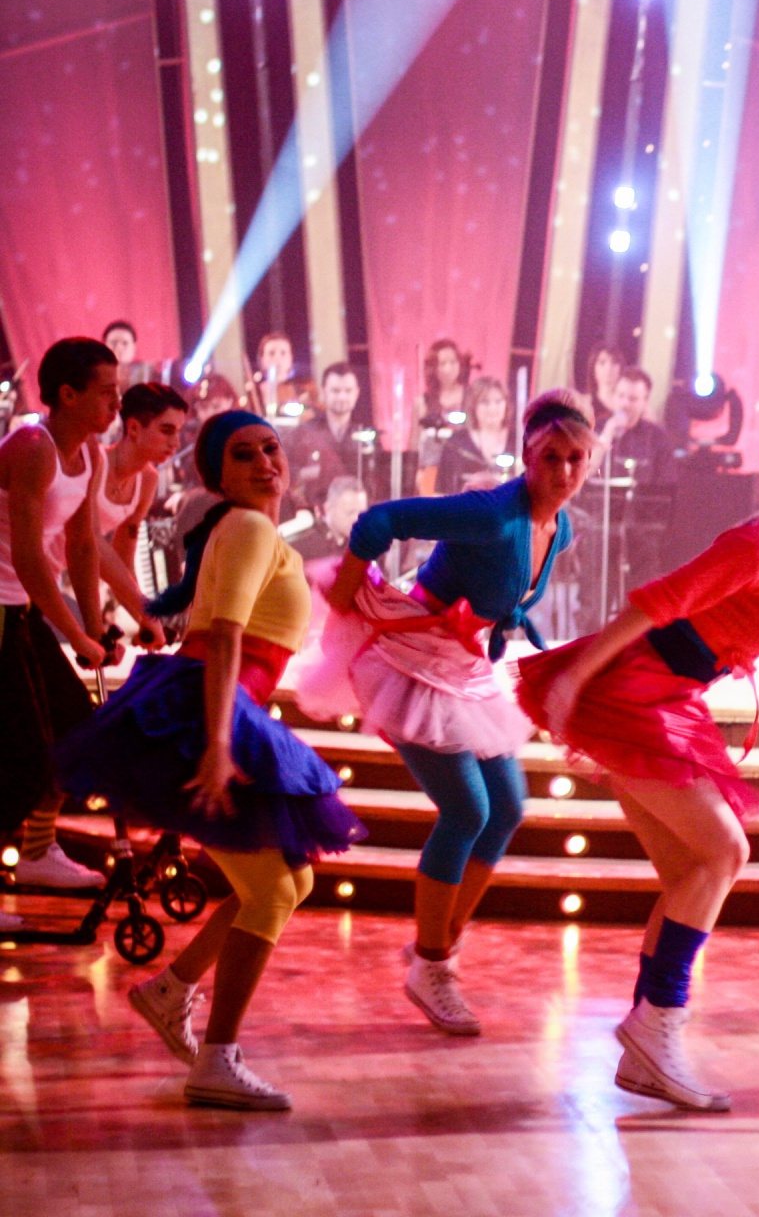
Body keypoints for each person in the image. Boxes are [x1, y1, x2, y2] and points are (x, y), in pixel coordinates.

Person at [514, 411, 759, 1112]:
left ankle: (647, 1050)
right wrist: (575, 680)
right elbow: (655, 603)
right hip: (637, 692)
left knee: (687, 874)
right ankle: (658, 1025)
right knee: (723, 853)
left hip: (674, 696)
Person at [58, 411, 365, 1110]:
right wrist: (222, 742)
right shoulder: (249, 527)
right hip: (207, 711)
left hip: (218, 706)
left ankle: (171, 991)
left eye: (270, 448)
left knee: (293, 880)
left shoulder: (258, 533)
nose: (264, 462)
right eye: (242, 455)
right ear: (218, 477)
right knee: (274, 891)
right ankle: (217, 1058)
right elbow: (224, 635)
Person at [316, 392, 592, 1035]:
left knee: (508, 809)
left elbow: (504, 592)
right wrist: (344, 598)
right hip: (412, 661)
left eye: (577, 458)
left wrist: (507, 624)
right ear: (527, 457)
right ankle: (432, 965)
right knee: (468, 810)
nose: (564, 471)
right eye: (551, 457)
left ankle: (437, 944)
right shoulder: (491, 512)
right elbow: (379, 522)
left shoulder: (561, 529)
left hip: (465, 669)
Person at [0, 339, 123, 892]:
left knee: (76, 731)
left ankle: (37, 851)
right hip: (5, 605)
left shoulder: (91, 454)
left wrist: (93, 629)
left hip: (18, 606)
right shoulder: (32, 446)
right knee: (22, 755)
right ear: (68, 395)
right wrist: (75, 634)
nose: (115, 403)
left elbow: (82, 546)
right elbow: (29, 557)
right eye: (106, 392)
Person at [82, 384, 187, 636]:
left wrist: (144, 620)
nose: (176, 442)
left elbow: (123, 561)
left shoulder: (148, 479)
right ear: (134, 428)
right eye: (166, 430)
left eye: (178, 432)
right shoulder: (95, 463)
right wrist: (147, 614)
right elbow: (91, 544)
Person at [286, 363, 372, 513]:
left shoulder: (367, 434)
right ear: (323, 392)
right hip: (313, 514)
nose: (342, 397)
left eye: (348, 391)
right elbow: (289, 474)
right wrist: (310, 473)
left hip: (357, 515)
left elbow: (376, 483)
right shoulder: (304, 432)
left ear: (357, 393)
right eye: (336, 390)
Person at [436, 375, 515, 493]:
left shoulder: (519, 441)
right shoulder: (455, 443)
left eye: (498, 401)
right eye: (485, 402)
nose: (492, 409)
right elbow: (441, 492)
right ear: (473, 406)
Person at [413, 338, 472, 495]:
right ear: (433, 368)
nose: (448, 368)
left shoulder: (472, 397)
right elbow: (414, 444)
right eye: (442, 363)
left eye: (453, 362)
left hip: (464, 470)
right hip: (431, 472)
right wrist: (416, 472)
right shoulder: (422, 402)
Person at [601, 367, 672, 486]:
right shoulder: (597, 428)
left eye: (632, 399)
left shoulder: (658, 437)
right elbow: (586, 471)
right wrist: (606, 435)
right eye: (620, 396)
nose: (625, 404)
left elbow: (666, 485)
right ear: (613, 396)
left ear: (645, 402)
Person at [290, 476, 370, 565]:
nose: (357, 519)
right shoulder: (303, 546)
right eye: (350, 512)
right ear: (328, 509)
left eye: (361, 513)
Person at [585, 342, 627, 429]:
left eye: (614, 362)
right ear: (593, 368)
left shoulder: (630, 402)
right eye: (602, 363)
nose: (608, 368)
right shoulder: (585, 404)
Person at [103, 319, 153, 389]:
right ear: (104, 345)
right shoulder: (94, 375)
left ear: (134, 347)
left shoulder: (147, 376)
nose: (119, 348)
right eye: (114, 343)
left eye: (125, 343)